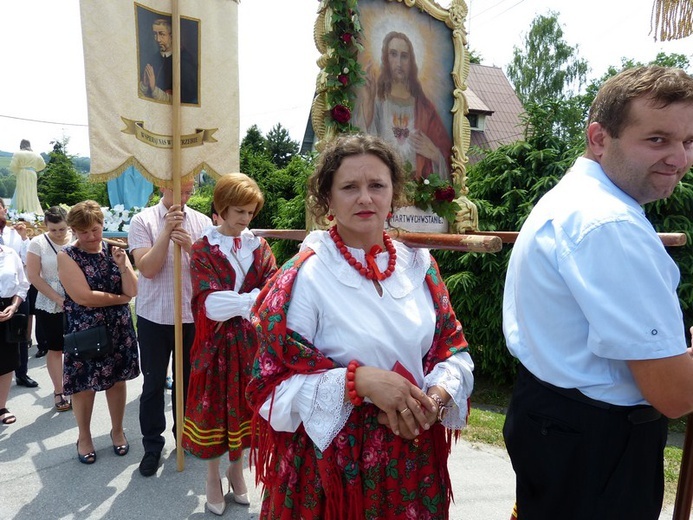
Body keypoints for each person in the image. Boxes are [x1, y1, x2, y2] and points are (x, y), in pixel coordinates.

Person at [246, 134, 474, 519]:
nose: (365, 198)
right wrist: (359, 382)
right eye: (349, 187)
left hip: (412, 460)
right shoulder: (307, 275)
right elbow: (270, 387)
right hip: (332, 473)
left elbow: (452, 351)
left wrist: (433, 402)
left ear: (393, 194)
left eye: (376, 186)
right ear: (328, 199)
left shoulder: (419, 265)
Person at [502, 65, 693, 519]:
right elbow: (673, 393)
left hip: (558, 425)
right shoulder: (609, 225)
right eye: (657, 140)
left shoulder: (575, 201)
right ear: (599, 138)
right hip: (596, 449)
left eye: (688, 142)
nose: (680, 159)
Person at [182, 173, 277, 515]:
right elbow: (208, 304)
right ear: (221, 208)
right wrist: (250, 299)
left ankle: (237, 470)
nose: (245, 219)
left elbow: (273, 294)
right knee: (212, 411)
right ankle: (211, 476)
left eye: (250, 212)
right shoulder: (202, 248)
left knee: (243, 410)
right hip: (214, 348)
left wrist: (243, 299)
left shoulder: (259, 246)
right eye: (239, 211)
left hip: (250, 346)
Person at [128, 180, 212, 476]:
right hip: (154, 316)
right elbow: (147, 269)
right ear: (164, 184)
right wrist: (165, 232)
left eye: (190, 190)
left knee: (188, 383)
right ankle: (152, 445)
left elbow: (210, 267)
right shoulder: (142, 220)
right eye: (181, 189)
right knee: (152, 385)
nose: (186, 196)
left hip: (191, 316)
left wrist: (190, 245)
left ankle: (185, 437)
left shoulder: (201, 221)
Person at [57, 201, 139, 464]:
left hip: (118, 328)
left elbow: (133, 290)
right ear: (74, 231)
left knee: (117, 381)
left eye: (95, 229)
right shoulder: (67, 255)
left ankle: (117, 430)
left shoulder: (114, 250)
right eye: (84, 232)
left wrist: (123, 266)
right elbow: (83, 297)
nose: (92, 237)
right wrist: (120, 298)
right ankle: (84, 436)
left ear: (103, 224)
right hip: (86, 329)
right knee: (83, 386)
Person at [356, 31, 452, 180]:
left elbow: (448, 158)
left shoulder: (425, 108)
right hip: (381, 186)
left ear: (411, 61)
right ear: (386, 58)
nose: (399, 63)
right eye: (393, 54)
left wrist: (435, 154)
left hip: (417, 191)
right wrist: (368, 103)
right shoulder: (378, 102)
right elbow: (358, 144)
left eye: (404, 56)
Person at [26, 206, 73, 412]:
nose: (58, 234)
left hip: (76, 296)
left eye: (62, 229)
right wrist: (57, 298)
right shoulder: (37, 243)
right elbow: (34, 276)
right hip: (49, 300)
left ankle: (76, 384)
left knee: (77, 346)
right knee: (56, 347)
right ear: (46, 226)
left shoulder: (75, 238)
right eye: (53, 230)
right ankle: (58, 390)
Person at [0, 199, 38, 389]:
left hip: (16, 291)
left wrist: (24, 239)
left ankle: (21, 373)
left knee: (19, 335)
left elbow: (25, 260)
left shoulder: (14, 233)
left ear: (4, 210)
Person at [0, 243, 30, 425]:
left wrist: (14, 305)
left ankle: (1, 406)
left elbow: (23, 284)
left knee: (6, 362)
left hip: (7, 311)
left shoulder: (10, 253)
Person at [139, 18, 198, 104]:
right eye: (155, 34)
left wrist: (154, 89)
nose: (158, 39)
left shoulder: (185, 61)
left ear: (172, 36)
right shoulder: (152, 60)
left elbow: (186, 100)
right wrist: (144, 84)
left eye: (162, 34)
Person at [9, 139, 46, 215]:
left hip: (22, 173)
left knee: (21, 192)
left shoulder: (18, 153)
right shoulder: (36, 155)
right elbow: (43, 165)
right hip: (32, 174)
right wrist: (34, 169)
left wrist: (18, 171)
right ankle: (32, 211)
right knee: (32, 192)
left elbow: (12, 166)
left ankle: (20, 211)